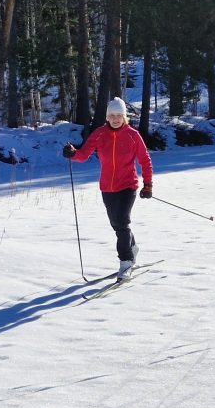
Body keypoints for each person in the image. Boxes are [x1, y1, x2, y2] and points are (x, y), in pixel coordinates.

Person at [63, 97, 153, 279]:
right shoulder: (99, 133)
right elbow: (83, 155)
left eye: (119, 115)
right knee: (117, 224)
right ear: (107, 117)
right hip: (107, 187)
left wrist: (148, 185)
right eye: (112, 115)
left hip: (128, 186)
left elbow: (145, 160)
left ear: (124, 117)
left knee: (121, 222)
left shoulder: (133, 135)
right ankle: (132, 247)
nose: (115, 118)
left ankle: (126, 261)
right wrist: (73, 153)